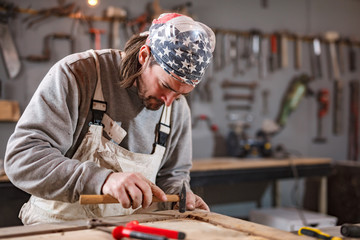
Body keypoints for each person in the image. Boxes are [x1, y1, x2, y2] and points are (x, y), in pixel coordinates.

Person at [4, 13, 215, 225]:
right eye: (165, 86)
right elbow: (22, 159)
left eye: (181, 94)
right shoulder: (78, 74)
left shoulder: (176, 108)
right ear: (144, 56)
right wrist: (102, 180)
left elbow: (173, 175)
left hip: (132, 230)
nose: (169, 102)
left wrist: (181, 196)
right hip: (58, 227)